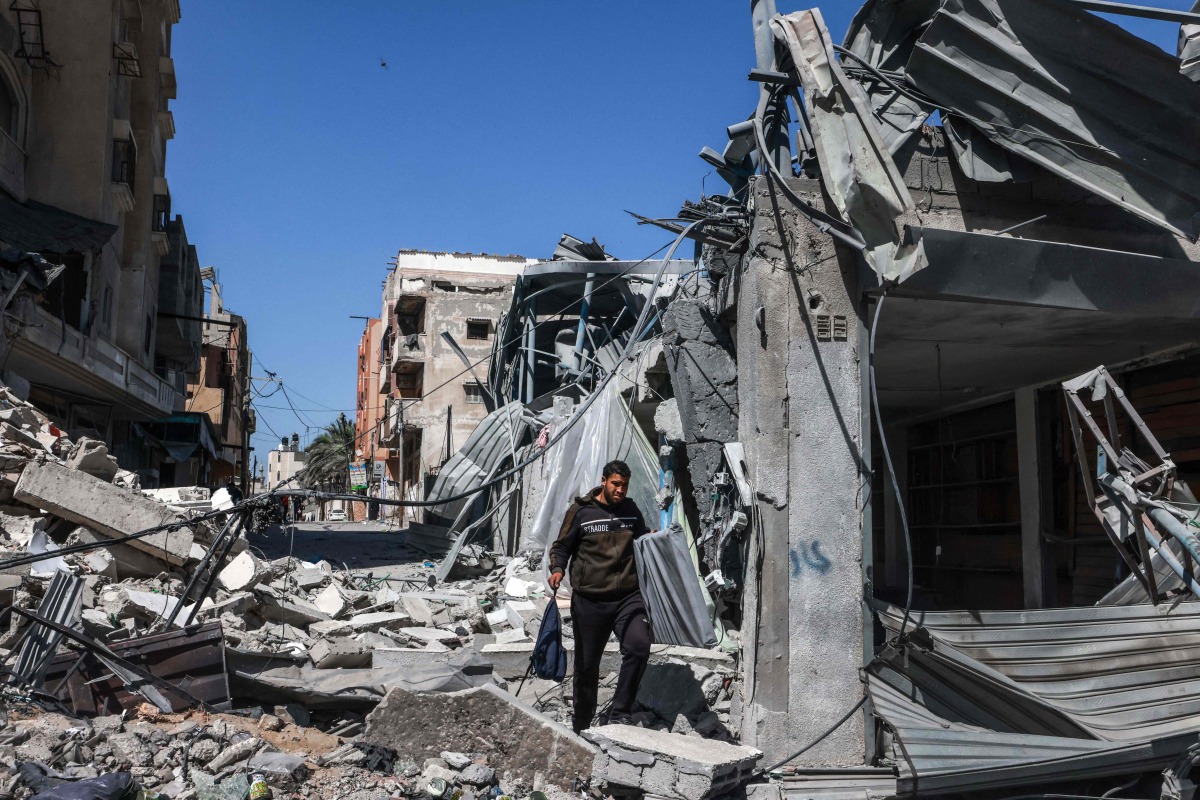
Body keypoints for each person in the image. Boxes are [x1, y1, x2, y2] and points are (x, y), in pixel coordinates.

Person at [548, 459, 653, 732]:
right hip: (589, 601)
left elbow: (642, 541)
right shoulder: (581, 512)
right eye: (616, 484)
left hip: (628, 598)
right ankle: (582, 725)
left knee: (639, 647)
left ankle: (619, 713)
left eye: (625, 485)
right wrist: (557, 569)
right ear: (604, 481)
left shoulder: (631, 511)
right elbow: (561, 546)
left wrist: (654, 539)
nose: (620, 490)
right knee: (587, 666)